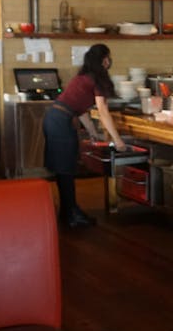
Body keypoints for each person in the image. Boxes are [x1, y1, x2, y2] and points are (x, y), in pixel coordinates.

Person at [43, 43, 127, 228]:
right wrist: (118, 140)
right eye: (108, 57)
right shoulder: (97, 79)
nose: (109, 61)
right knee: (66, 168)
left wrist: (93, 132)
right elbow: (103, 111)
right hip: (61, 122)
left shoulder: (83, 77)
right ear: (104, 60)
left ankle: (68, 212)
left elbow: (81, 110)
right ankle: (72, 214)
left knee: (63, 169)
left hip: (54, 118)